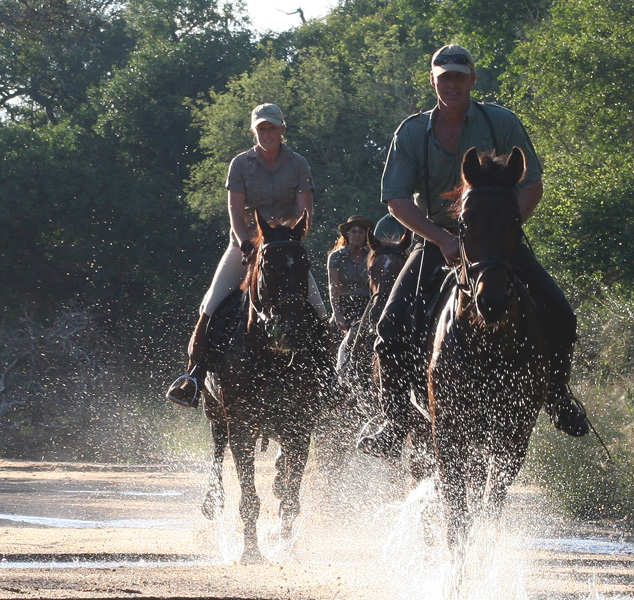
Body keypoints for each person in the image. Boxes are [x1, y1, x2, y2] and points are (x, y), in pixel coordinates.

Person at [358, 44, 589, 458]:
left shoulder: (501, 122)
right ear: (433, 80)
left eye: (459, 76)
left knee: (561, 313)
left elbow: (532, 184)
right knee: (389, 326)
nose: (451, 83)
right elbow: (396, 199)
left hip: (494, 244)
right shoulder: (412, 132)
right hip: (437, 239)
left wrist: (501, 229)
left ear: (472, 80)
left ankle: (557, 397)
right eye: (444, 76)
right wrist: (443, 238)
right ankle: (393, 419)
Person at [165, 103, 328, 408]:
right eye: (262, 128)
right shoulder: (240, 164)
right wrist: (246, 244)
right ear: (254, 131)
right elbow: (235, 213)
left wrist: (289, 242)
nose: (268, 133)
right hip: (245, 246)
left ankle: (328, 380)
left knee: (318, 309)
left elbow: (304, 213)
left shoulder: (299, 164)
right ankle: (193, 377)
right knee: (211, 305)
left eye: (273, 128)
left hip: (283, 250)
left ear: (282, 130)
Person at [327, 215, 374, 334]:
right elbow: (333, 287)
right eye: (354, 232)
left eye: (361, 232)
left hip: (368, 304)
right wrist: (337, 314)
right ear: (348, 234)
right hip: (345, 303)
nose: (357, 235)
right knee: (332, 331)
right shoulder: (336, 257)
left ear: (365, 235)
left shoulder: (371, 256)